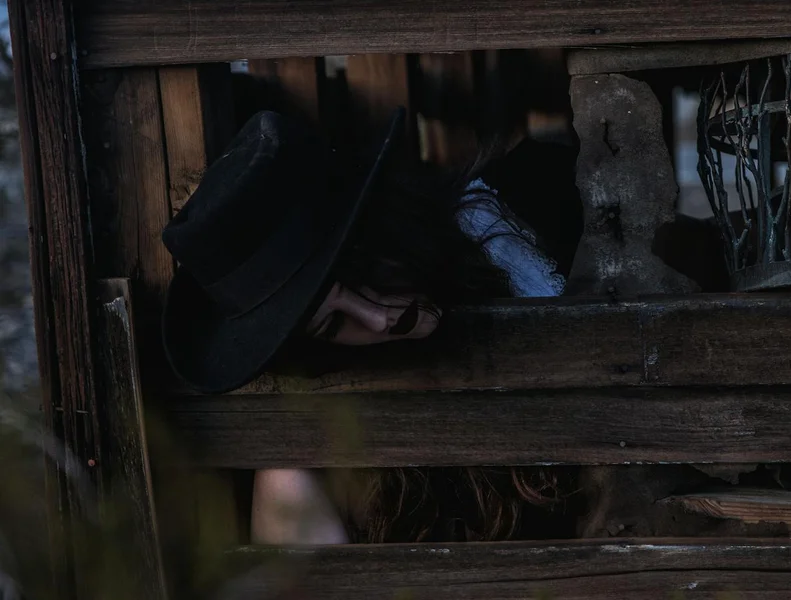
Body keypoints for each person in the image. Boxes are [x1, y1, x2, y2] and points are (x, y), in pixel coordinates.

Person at [161, 107, 581, 544]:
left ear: (389, 231)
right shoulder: (308, 461)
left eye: (368, 277)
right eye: (334, 323)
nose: (380, 318)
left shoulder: (528, 215)